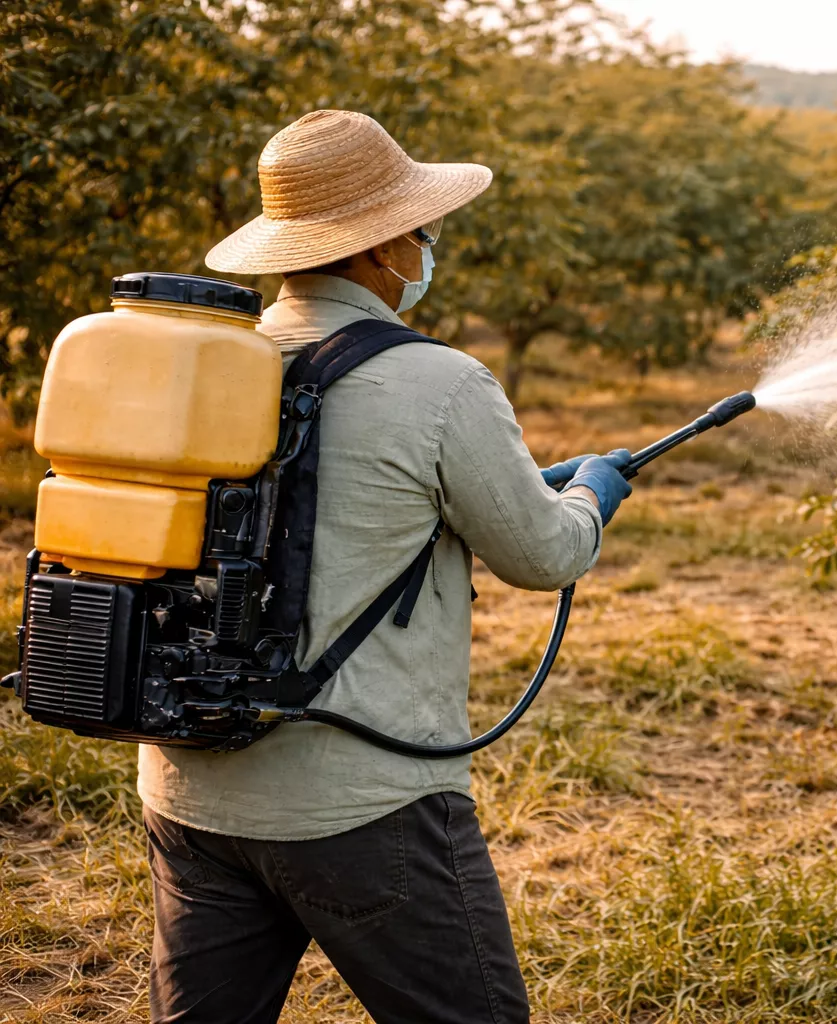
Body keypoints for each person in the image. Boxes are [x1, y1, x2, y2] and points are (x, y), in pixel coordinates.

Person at [136, 109, 629, 1024]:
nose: (426, 249)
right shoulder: (440, 383)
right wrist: (591, 493)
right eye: (420, 234)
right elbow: (546, 553)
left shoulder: (204, 365)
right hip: (365, 807)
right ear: (378, 249)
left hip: (189, 789)